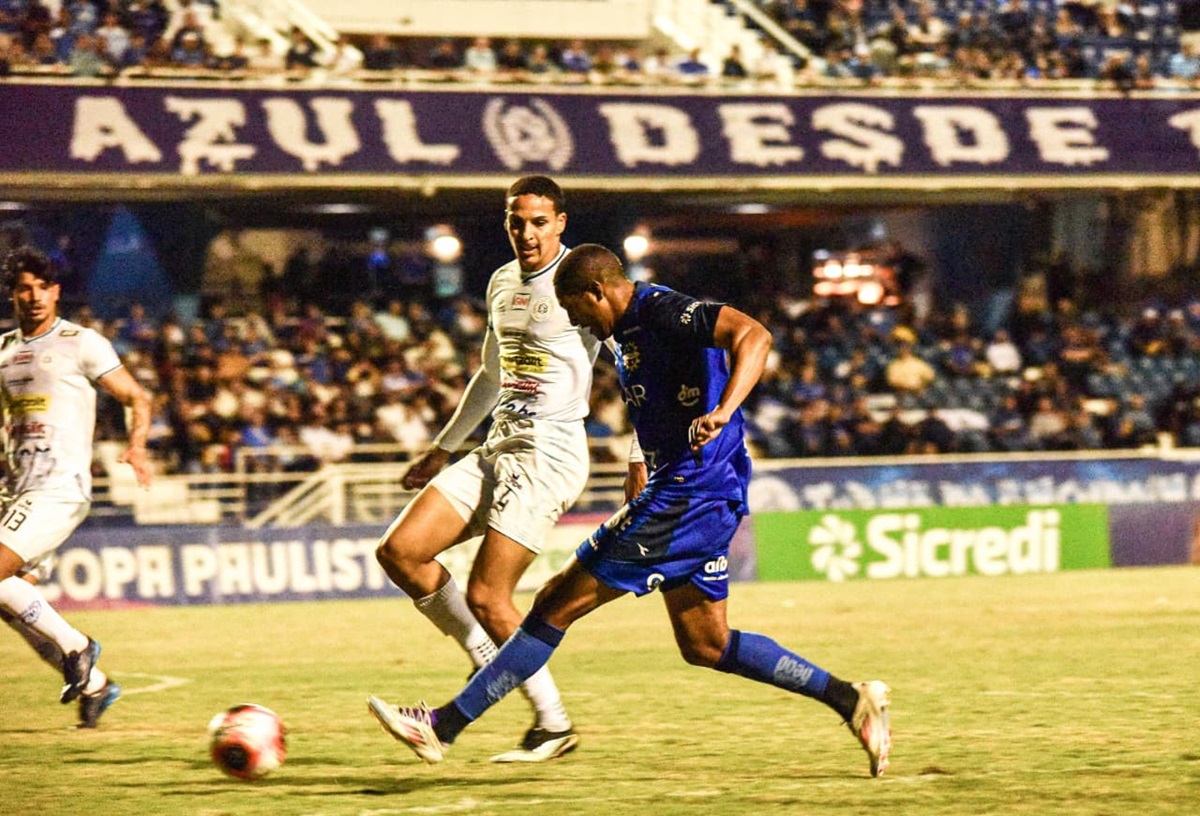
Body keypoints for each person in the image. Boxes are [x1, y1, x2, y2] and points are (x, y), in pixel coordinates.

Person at [367, 244, 892, 777]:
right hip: (693, 491)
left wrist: (724, 410)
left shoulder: (660, 310)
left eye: (579, 312)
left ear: (597, 291)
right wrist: (641, 458)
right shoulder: (624, 334)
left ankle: (444, 725)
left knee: (553, 604)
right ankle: (852, 700)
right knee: (706, 643)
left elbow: (753, 335)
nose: (582, 326)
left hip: (688, 495)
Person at [371, 178, 642, 763]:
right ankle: (493, 667)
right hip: (498, 447)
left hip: (549, 455)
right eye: (516, 221)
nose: (526, 233)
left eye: (539, 221)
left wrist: (639, 453)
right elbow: (491, 376)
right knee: (400, 552)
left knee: (491, 596)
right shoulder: (500, 282)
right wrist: (445, 447)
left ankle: (551, 722)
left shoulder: (581, 283)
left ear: (561, 223)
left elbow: (637, 368)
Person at [0, 246, 153, 728]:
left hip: (58, 489)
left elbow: (136, 396)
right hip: (17, 490)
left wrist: (137, 446)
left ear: (56, 292)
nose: (34, 296)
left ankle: (79, 647)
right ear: (12, 295)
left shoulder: (81, 342)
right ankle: (94, 685)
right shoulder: (3, 351)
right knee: (10, 601)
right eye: (24, 288)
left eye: (42, 287)